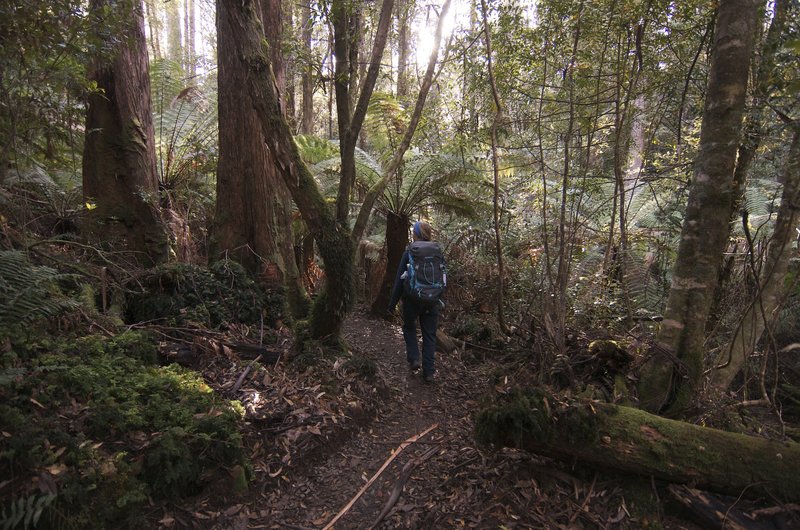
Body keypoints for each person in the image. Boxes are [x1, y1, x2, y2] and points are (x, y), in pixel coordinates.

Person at [388, 221, 443, 383]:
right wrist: (439, 297)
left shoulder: (410, 252)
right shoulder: (437, 252)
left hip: (412, 299)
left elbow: (399, 280)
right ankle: (429, 372)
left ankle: (414, 359)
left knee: (409, 327)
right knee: (429, 335)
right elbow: (442, 276)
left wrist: (392, 304)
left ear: (416, 234)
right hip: (432, 300)